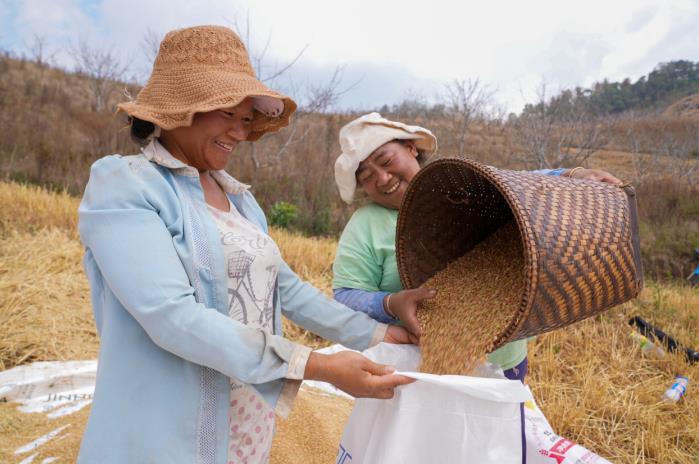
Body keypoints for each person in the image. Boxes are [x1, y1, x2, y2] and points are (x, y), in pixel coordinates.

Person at [77, 27, 414, 464]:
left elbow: (285, 289)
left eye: (247, 119)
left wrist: (380, 332)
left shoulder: (241, 200)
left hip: (245, 425)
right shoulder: (125, 185)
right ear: (183, 108)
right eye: (227, 115)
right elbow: (171, 316)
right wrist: (317, 366)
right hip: (166, 435)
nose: (239, 132)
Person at [332, 112, 623, 382]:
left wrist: (572, 175)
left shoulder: (461, 190)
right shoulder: (366, 224)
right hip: (415, 362)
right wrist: (389, 303)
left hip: (503, 360)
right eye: (366, 177)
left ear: (410, 148)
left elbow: (521, 185)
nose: (382, 179)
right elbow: (344, 296)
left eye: (385, 161)